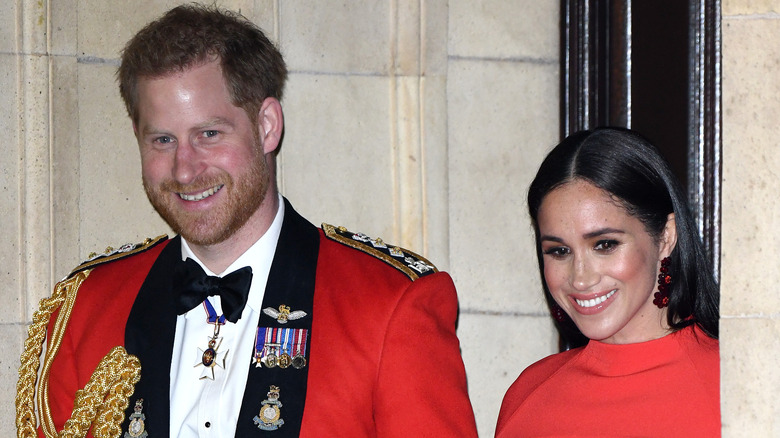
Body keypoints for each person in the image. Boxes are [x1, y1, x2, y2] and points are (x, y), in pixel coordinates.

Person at [15, 4, 478, 437]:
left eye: (209, 134)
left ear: (267, 126)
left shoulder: (391, 305)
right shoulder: (85, 308)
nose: (184, 169)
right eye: (162, 140)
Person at [495, 128, 720, 436]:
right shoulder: (529, 394)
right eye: (559, 251)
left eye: (605, 244)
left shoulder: (735, 384)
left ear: (665, 236)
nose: (581, 277)